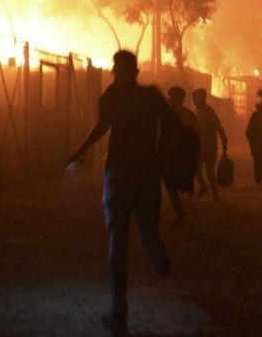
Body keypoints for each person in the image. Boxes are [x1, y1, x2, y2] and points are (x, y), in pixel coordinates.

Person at [67, 50, 176, 333]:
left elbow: (101, 127)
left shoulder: (113, 97)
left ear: (117, 71)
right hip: (146, 177)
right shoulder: (151, 96)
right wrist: (161, 157)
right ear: (136, 71)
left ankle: (119, 314)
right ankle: (157, 255)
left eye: (116, 69)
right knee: (148, 233)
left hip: (119, 176)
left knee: (118, 247)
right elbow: (171, 124)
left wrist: (80, 150)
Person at [163, 87, 200, 223]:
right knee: (171, 185)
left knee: (180, 184)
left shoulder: (187, 115)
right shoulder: (166, 114)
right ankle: (181, 213)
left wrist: (194, 153)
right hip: (171, 155)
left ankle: (188, 210)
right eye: (173, 97)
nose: (173, 100)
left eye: (176, 97)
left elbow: (196, 135)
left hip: (183, 155)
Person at [192, 88, 229, 201]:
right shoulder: (197, 111)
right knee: (197, 169)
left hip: (209, 146)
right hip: (200, 146)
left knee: (208, 171)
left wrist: (224, 139)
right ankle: (205, 187)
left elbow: (218, 125)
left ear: (202, 98)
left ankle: (213, 192)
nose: (194, 100)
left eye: (196, 97)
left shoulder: (208, 111)